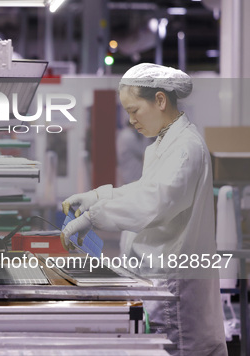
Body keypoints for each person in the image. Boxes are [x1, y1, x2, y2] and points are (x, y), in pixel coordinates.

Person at [60, 63, 227, 356]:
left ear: (160, 100)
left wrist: (93, 217)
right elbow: (143, 189)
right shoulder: (163, 144)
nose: (131, 120)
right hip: (160, 281)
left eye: (134, 110)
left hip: (175, 290)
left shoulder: (186, 147)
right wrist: (98, 196)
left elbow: (154, 202)